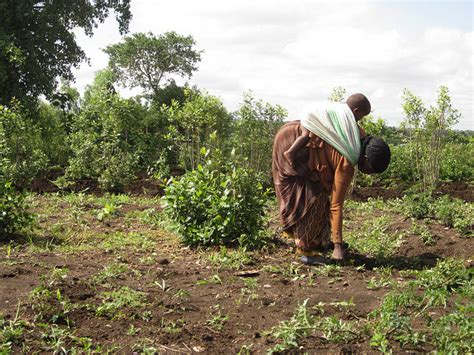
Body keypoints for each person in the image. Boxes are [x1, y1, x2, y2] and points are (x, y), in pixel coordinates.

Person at [272, 95, 390, 264]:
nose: (368, 173)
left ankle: (321, 241)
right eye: (370, 169)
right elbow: (336, 205)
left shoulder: (360, 136)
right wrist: (338, 246)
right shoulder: (347, 162)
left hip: (294, 131)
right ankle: (308, 251)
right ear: (365, 156)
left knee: (317, 190)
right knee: (312, 198)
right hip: (291, 142)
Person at [284, 93, 371, 166]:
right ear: (355, 111)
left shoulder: (344, 112)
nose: (361, 118)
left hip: (313, 114)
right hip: (309, 117)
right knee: (305, 135)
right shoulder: (343, 115)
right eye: (362, 115)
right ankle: (290, 152)